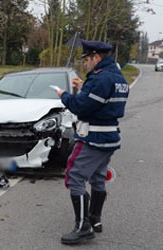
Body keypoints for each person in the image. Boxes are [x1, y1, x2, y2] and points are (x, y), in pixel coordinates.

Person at [53, 40, 129, 245]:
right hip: (109, 137)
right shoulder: (118, 77)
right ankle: (95, 219)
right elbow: (102, 101)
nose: (85, 64)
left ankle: (82, 227)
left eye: (87, 59)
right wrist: (84, 86)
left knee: (75, 175)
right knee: (98, 177)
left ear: (96, 57)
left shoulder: (100, 79)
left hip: (92, 138)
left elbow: (81, 107)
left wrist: (64, 95)